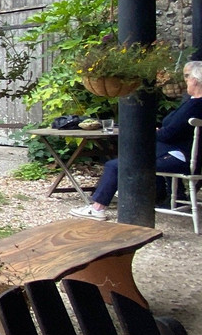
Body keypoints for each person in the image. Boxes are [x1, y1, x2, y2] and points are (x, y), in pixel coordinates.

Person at [71, 60, 202, 221]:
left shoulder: (195, 105)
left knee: (116, 165)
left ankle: (98, 207)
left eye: (188, 78)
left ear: (195, 81)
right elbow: (175, 131)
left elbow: (170, 133)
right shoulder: (194, 103)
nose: (186, 81)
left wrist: (147, 134)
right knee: (142, 154)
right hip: (182, 155)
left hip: (178, 157)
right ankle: (165, 198)